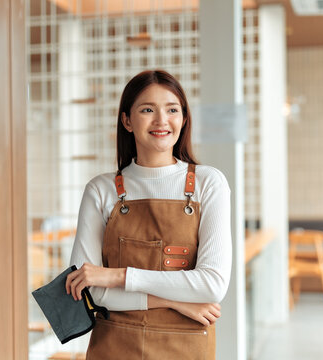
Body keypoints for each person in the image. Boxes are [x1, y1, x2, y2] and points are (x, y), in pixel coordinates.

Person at [66, 70, 232, 359]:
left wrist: (117, 276)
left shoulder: (209, 182)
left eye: (172, 109)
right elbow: (90, 291)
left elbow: (212, 285)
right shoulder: (100, 189)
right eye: (147, 110)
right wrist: (177, 301)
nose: (161, 120)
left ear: (183, 119)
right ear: (127, 120)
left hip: (186, 348)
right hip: (115, 348)